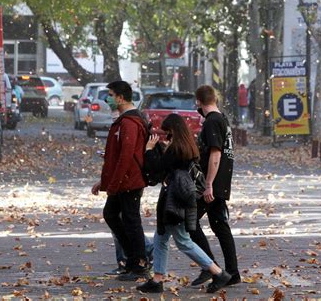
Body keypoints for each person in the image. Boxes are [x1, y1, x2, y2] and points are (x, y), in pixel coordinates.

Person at [136, 114, 231, 294]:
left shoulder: (176, 149)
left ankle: (218, 272)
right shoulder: (186, 146)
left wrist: (149, 149)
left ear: (174, 131)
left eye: (168, 133)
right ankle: (157, 279)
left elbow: (157, 167)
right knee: (160, 238)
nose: (166, 137)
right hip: (180, 197)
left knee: (183, 241)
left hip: (175, 200)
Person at [91, 81, 150, 281]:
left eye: (110, 95)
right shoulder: (124, 121)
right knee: (111, 214)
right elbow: (115, 156)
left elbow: (126, 156)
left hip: (129, 182)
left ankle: (140, 262)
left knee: (132, 221)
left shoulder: (129, 123)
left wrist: (113, 185)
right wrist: (105, 182)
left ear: (120, 98)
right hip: (122, 181)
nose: (108, 99)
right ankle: (133, 259)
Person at [189, 85, 241, 287]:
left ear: (199, 101)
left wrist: (208, 184)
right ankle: (232, 272)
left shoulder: (212, 121)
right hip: (220, 182)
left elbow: (216, 153)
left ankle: (212, 268)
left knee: (190, 224)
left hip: (210, 184)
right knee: (220, 226)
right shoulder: (223, 119)